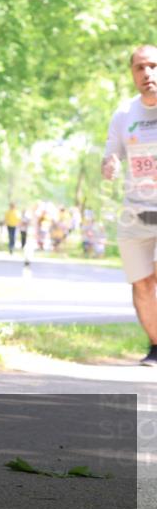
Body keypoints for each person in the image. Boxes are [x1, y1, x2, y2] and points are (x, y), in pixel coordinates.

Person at [101, 44, 157, 367]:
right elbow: (110, 155)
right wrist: (109, 165)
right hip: (135, 212)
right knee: (142, 284)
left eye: (152, 65)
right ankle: (156, 345)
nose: (147, 73)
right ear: (132, 74)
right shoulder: (124, 114)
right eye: (139, 67)